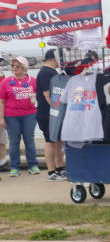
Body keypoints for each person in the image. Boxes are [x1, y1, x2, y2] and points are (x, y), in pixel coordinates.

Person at [0, 56, 39, 176]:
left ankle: (33, 165)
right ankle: (14, 167)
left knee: (29, 140)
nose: (14, 68)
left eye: (17, 66)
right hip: (11, 116)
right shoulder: (6, 82)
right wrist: (1, 118)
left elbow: (38, 95)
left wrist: (35, 98)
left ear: (24, 67)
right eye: (12, 66)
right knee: (14, 141)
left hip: (30, 115)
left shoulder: (32, 80)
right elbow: (1, 101)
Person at [35, 49, 66, 180]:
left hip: (55, 114)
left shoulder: (53, 72)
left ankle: (59, 168)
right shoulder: (45, 73)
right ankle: (51, 171)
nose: (62, 61)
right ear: (54, 58)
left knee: (59, 141)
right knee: (50, 141)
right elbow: (48, 95)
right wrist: (58, 109)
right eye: (61, 58)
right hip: (47, 114)